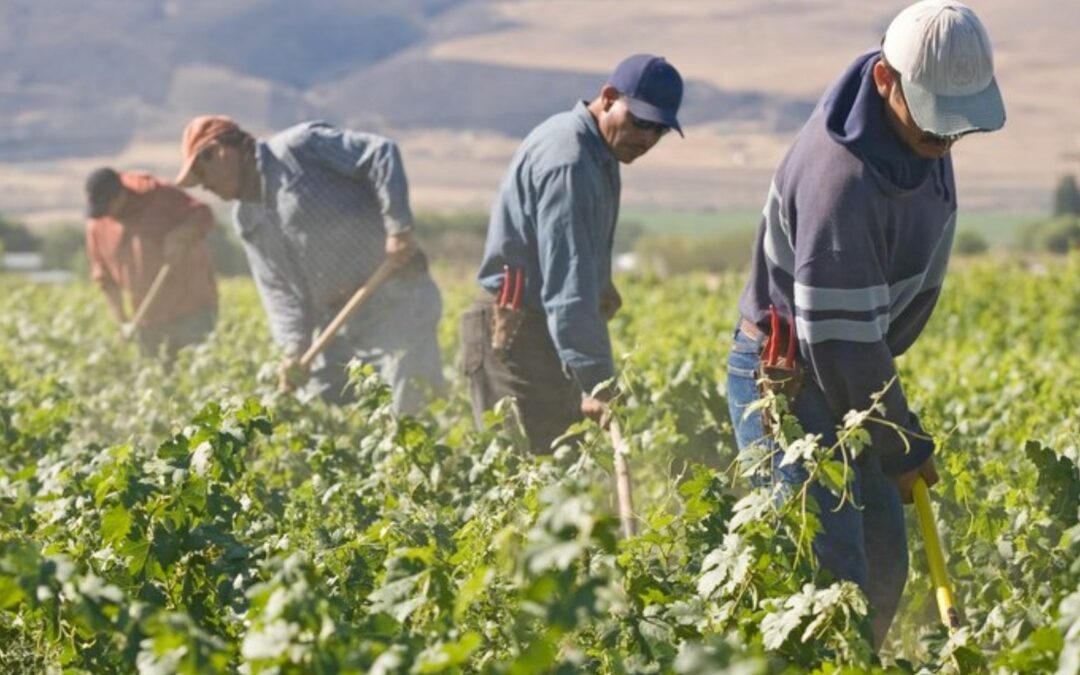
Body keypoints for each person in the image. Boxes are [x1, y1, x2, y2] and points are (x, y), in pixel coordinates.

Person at [726, 0, 1005, 647]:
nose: (946, 142)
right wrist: (902, 445)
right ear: (886, 80)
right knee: (832, 578)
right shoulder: (841, 181)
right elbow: (842, 344)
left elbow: (856, 345)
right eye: (937, 123)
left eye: (956, 125)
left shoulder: (911, 128)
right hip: (792, 380)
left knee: (883, 562)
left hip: (852, 369)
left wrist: (894, 435)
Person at [463, 53, 684, 453]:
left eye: (660, 130)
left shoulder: (601, 151)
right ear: (609, 97)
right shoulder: (570, 160)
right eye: (641, 122)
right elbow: (569, 288)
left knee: (558, 478)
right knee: (532, 482)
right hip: (512, 332)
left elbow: (581, 260)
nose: (648, 139)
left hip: (542, 330)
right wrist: (599, 383)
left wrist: (604, 284)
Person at [174, 116, 443, 414]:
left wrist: (398, 229)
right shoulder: (246, 219)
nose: (204, 186)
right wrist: (294, 351)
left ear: (220, 151)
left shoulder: (300, 149)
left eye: (201, 172)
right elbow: (278, 290)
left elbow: (380, 153)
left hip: (392, 297)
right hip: (336, 320)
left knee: (409, 409)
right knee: (321, 409)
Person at [84, 167, 218, 362]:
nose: (107, 214)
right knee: (159, 380)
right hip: (148, 319)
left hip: (193, 308)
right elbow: (105, 280)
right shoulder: (98, 223)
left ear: (121, 195)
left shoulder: (159, 196)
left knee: (197, 370)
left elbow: (203, 215)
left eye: (109, 207)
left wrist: (180, 235)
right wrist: (123, 322)